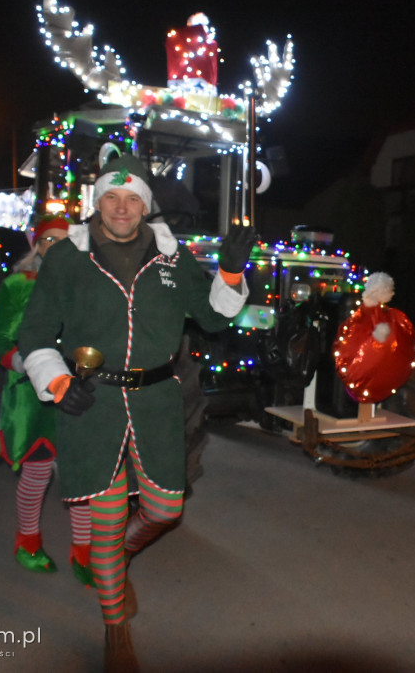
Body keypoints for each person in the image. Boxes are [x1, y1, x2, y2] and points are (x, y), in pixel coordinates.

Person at [17, 154, 255, 673]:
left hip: (157, 402)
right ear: (97, 201)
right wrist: (57, 381)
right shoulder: (68, 257)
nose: (121, 208)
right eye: (111, 197)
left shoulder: (171, 257)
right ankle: (115, 628)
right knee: (104, 528)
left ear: (146, 206)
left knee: (166, 511)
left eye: (132, 199)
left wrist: (231, 270)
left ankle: (115, 561)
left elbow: (214, 316)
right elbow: (34, 333)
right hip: (92, 404)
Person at [0, 215, 95, 585]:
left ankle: (84, 551)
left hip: (79, 391)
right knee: (37, 472)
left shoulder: (87, 285)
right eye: (48, 240)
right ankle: (27, 542)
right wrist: (26, 364)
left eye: (64, 240)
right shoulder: (18, 285)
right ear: (37, 245)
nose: (56, 246)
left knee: (81, 475)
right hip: (33, 397)